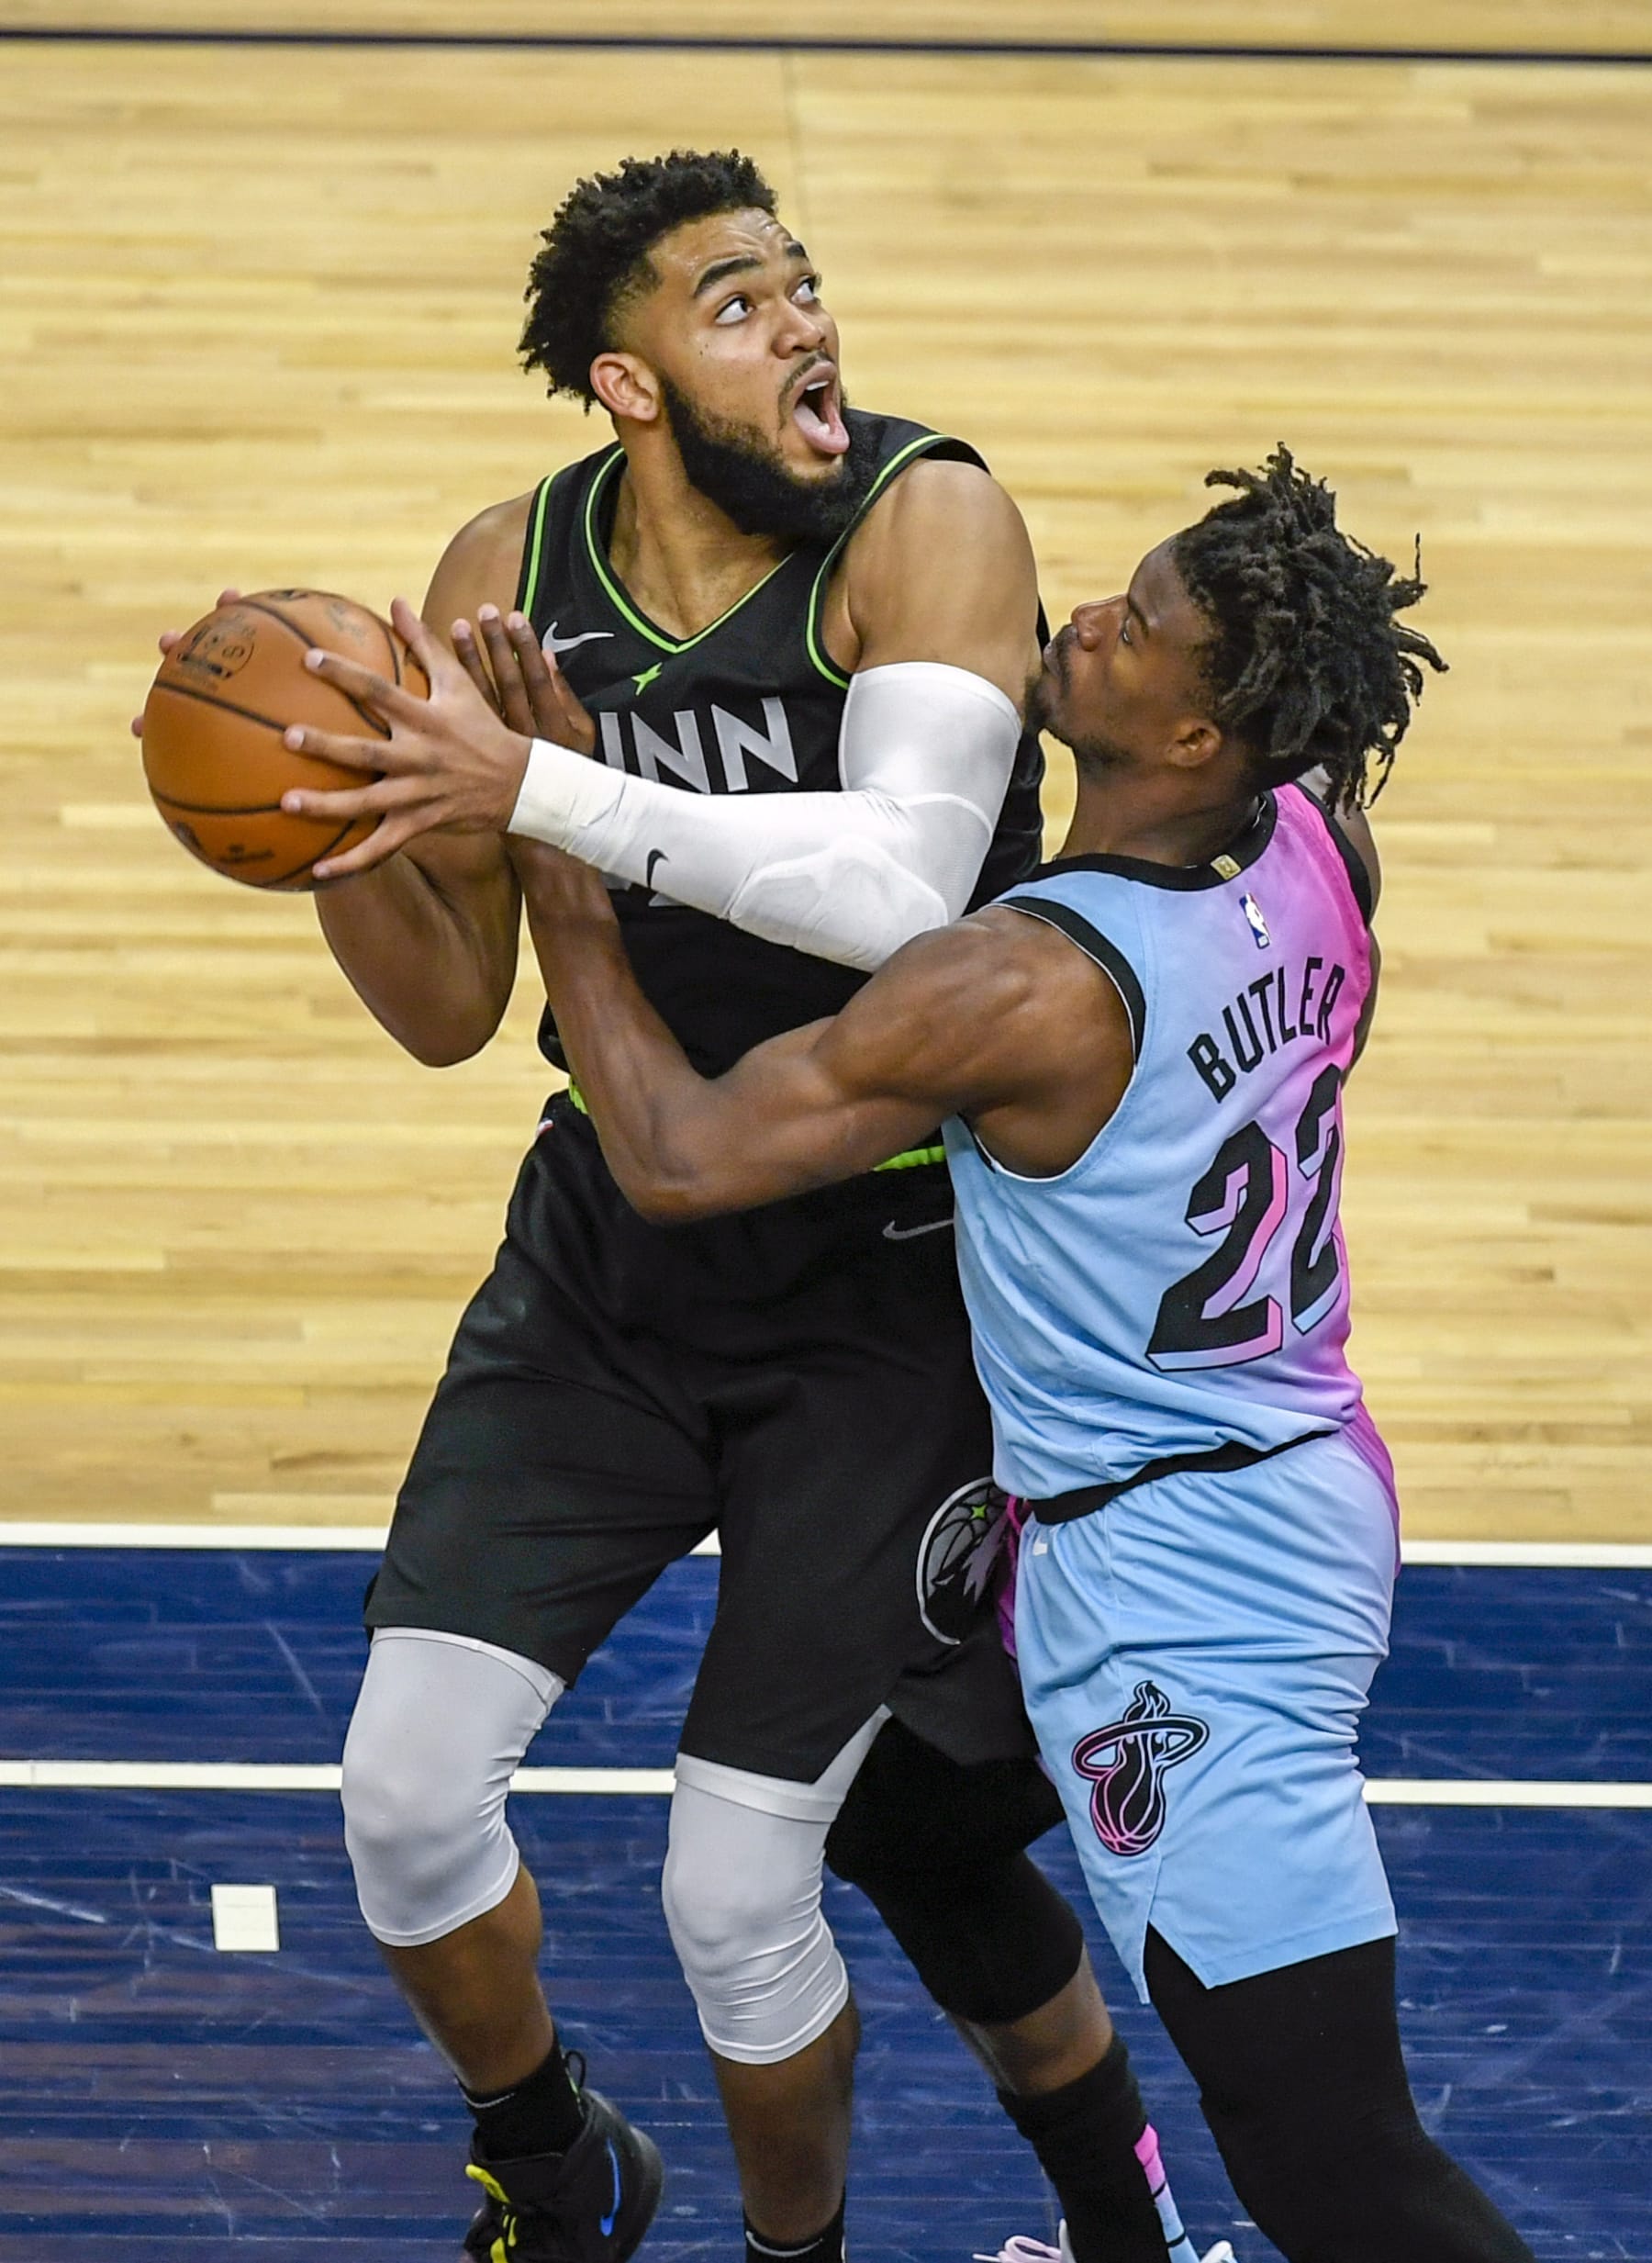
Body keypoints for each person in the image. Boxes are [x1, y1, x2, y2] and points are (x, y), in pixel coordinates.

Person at [326, 443, 1544, 2263]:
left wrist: (561, 859)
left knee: (1332, 2160)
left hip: (1188, 1584)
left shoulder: (1017, 984)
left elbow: (672, 1156)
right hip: (1263, 1467)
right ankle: (1119, 2236)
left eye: (1139, 623)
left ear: (1194, 734)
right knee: (911, 1818)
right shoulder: (1315, 844)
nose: (1087, 613)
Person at [251, 151, 1219, 2263]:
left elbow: (898, 892)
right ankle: (554, 2155)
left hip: (893, 1286)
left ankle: (835, 2252)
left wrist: (536, 789)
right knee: (401, 1800)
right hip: (614, 1247)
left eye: (805, 287)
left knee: (751, 1881)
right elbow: (449, 1009)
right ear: (629, 383)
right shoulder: (505, 570)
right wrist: (331, 822)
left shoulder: (926, 519)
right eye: (740, 303)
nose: (806, 326)